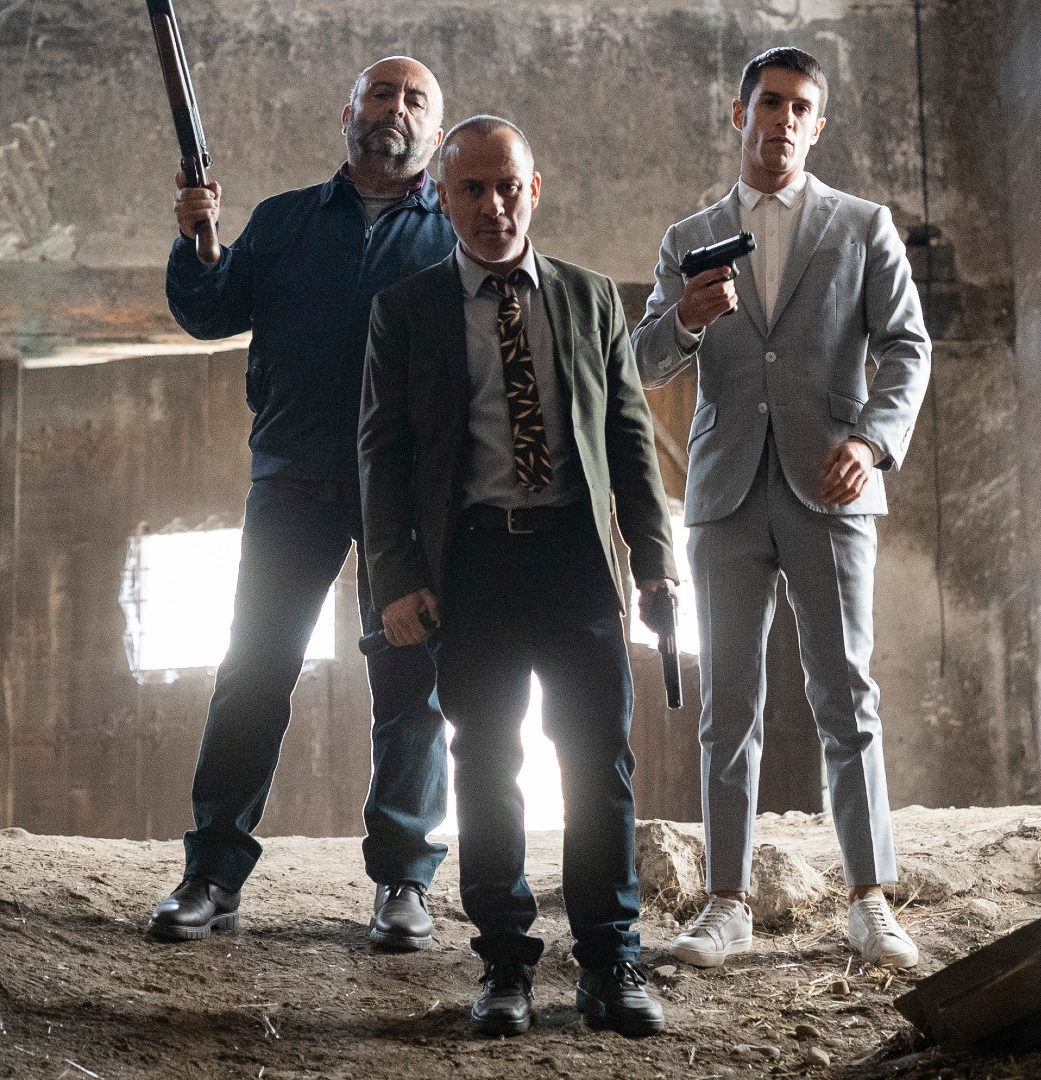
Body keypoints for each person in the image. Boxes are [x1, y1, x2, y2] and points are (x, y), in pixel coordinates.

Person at [359, 116, 677, 1036]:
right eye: (471, 189)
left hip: (576, 560)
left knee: (598, 759)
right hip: (474, 565)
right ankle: (504, 961)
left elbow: (629, 441)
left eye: (508, 187)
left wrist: (656, 565)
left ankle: (610, 959)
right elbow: (380, 455)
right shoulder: (406, 310)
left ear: (534, 190)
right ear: (443, 197)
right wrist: (395, 577)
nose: (492, 206)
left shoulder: (589, 299)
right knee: (487, 759)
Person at [631, 47, 932, 970]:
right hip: (723, 493)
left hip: (834, 486)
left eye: (802, 107)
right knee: (727, 703)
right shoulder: (689, 237)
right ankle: (725, 905)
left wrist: (871, 443)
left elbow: (908, 346)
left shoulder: (863, 225)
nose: (784, 120)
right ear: (740, 114)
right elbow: (641, 361)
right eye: (770, 103)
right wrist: (687, 317)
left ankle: (870, 901)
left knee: (847, 695)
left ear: (818, 125)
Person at [148, 57, 457, 952]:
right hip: (293, 478)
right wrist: (198, 242)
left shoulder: (452, 235)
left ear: (436, 134)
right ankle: (211, 874)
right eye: (380, 93)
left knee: (410, 681)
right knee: (254, 670)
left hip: (405, 495)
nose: (395, 109)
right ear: (346, 109)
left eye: (415, 100)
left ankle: (403, 881)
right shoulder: (285, 220)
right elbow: (210, 311)